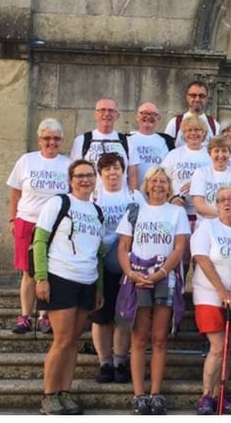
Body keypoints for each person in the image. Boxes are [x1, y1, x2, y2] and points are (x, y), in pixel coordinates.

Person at [115, 166, 190, 415]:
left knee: (159, 338)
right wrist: (131, 274)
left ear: (169, 186)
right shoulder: (134, 211)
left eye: (163, 181)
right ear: (146, 186)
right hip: (137, 276)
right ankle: (138, 394)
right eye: (154, 180)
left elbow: (179, 248)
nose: (158, 185)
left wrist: (160, 273)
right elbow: (123, 247)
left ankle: (156, 393)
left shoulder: (176, 212)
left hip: (164, 277)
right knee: (138, 339)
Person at [32, 159, 106, 415]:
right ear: (71, 179)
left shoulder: (97, 211)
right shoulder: (58, 203)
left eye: (89, 175)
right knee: (61, 340)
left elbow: (98, 253)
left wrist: (99, 288)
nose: (85, 180)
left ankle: (65, 391)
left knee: (74, 340)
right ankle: (49, 395)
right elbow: (40, 241)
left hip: (87, 280)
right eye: (79, 176)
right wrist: (41, 278)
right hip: (61, 276)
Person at [191, 185, 231, 415]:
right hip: (210, 294)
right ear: (216, 204)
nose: (227, 203)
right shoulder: (207, 227)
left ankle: (221, 393)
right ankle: (206, 395)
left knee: (230, 346)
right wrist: (221, 291)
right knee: (218, 346)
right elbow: (202, 259)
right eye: (221, 200)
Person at [6, 118, 72, 335]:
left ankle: (44, 316)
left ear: (61, 141)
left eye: (56, 139)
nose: (51, 142)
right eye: (46, 138)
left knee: (49, 271)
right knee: (29, 272)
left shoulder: (67, 163)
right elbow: (15, 192)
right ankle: (25, 316)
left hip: (54, 226)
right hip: (27, 220)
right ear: (39, 139)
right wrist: (12, 219)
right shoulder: (27, 160)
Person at [88, 153, 145, 384]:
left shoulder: (134, 195)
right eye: (107, 169)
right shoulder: (93, 197)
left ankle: (120, 360)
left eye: (117, 168)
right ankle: (105, 362)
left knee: (123, 316)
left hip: (128, 264)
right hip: (100, 263)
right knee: (101, 316)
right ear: (100, 174)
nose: (112, 173)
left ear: (124, 171)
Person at [162, 115, 213, 274]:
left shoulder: (210, 156)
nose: (193, 133)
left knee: (201, 256)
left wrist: (198, 182)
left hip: (203, 215)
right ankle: (180, 292)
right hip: (179, 213)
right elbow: (162, 179)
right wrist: (172, 197)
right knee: (180, 257)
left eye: (197, 130)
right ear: (183, 133)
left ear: (204, 133)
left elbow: (218, 179)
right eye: (189, 130)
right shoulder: (174, 155)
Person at [69, 98, 139, 190]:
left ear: (117, 115)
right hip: (90, 199)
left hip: (119, 200)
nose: (106, 114)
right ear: (95, 114)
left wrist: (132, 199)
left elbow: (132, 174)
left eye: (111, 111)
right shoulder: (82, 140)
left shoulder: (127, 141)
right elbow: (74, 172)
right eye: (102, 110)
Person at [190, 135, 231, 221]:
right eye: (216, 151)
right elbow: (199, 205)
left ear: (230, 154)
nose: (220, 155)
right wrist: (225, 215)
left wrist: (229, 218)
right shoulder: (201, 173)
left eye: (224, 151)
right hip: (206, 226)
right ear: (210, 153)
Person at [127, 102, 175, 188]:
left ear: (159, 118)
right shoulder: (127, 140)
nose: (148, 117)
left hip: (158, 193)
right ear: (137, 116)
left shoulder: (167, 141)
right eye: (144, 113)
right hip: (133, 194)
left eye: (153, 114)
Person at [164, 80, 220, 147]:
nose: (197, 99)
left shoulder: (215, 126)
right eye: (193, 95)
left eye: (201, 96)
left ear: (207, 99)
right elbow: (166, 149)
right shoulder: (175, 123)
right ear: (187, 97)